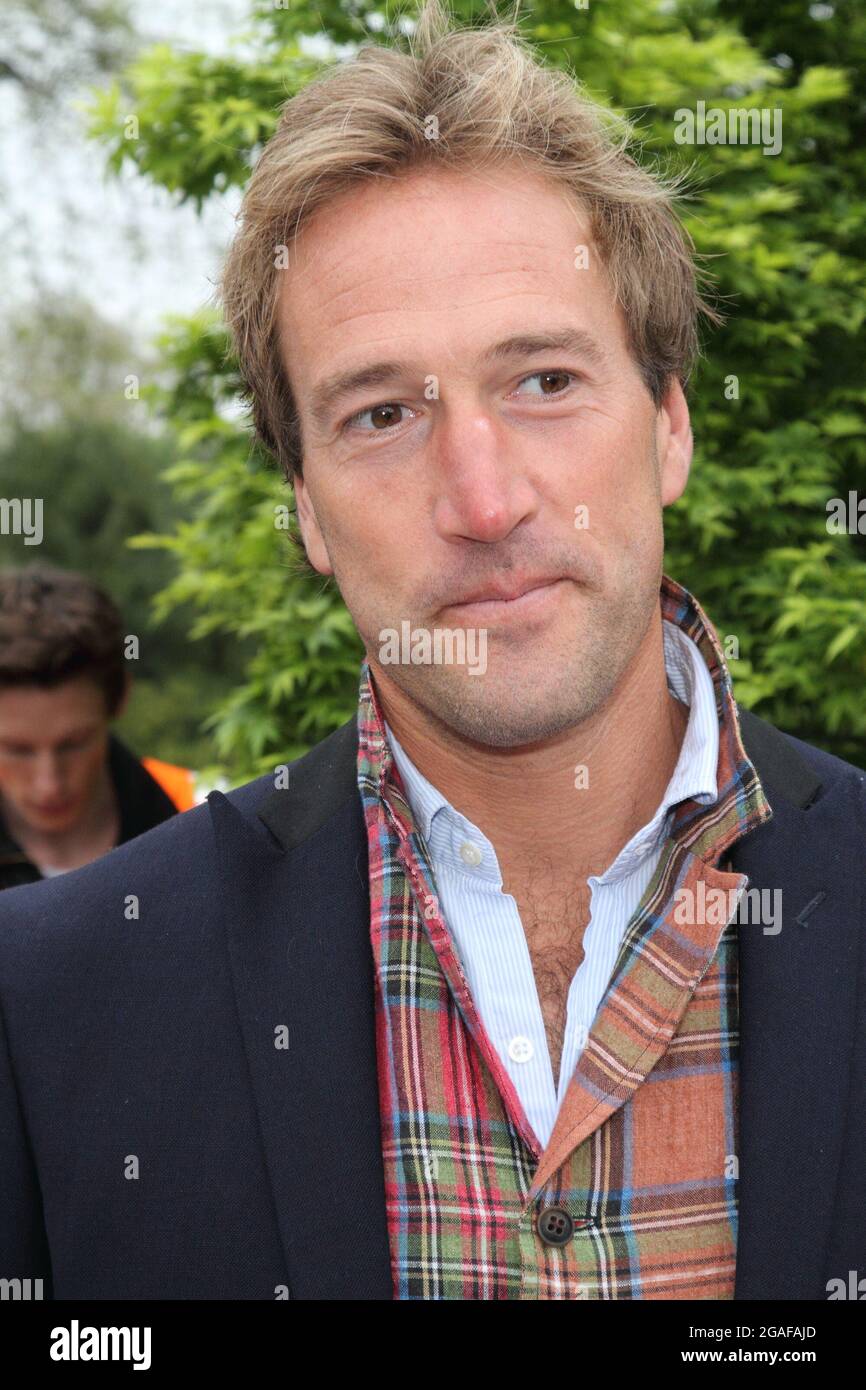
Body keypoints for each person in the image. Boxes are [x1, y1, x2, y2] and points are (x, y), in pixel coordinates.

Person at [0, 0, 863, 1301]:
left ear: (670, 424)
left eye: (543, 381)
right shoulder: (54, 995)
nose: (482, 497)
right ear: (305, 510)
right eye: (383, 411)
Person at [0, 565, 198, 891]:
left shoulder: (198, 812)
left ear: (119, 699)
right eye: (17, 750)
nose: (48, 784)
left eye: (73, 743)